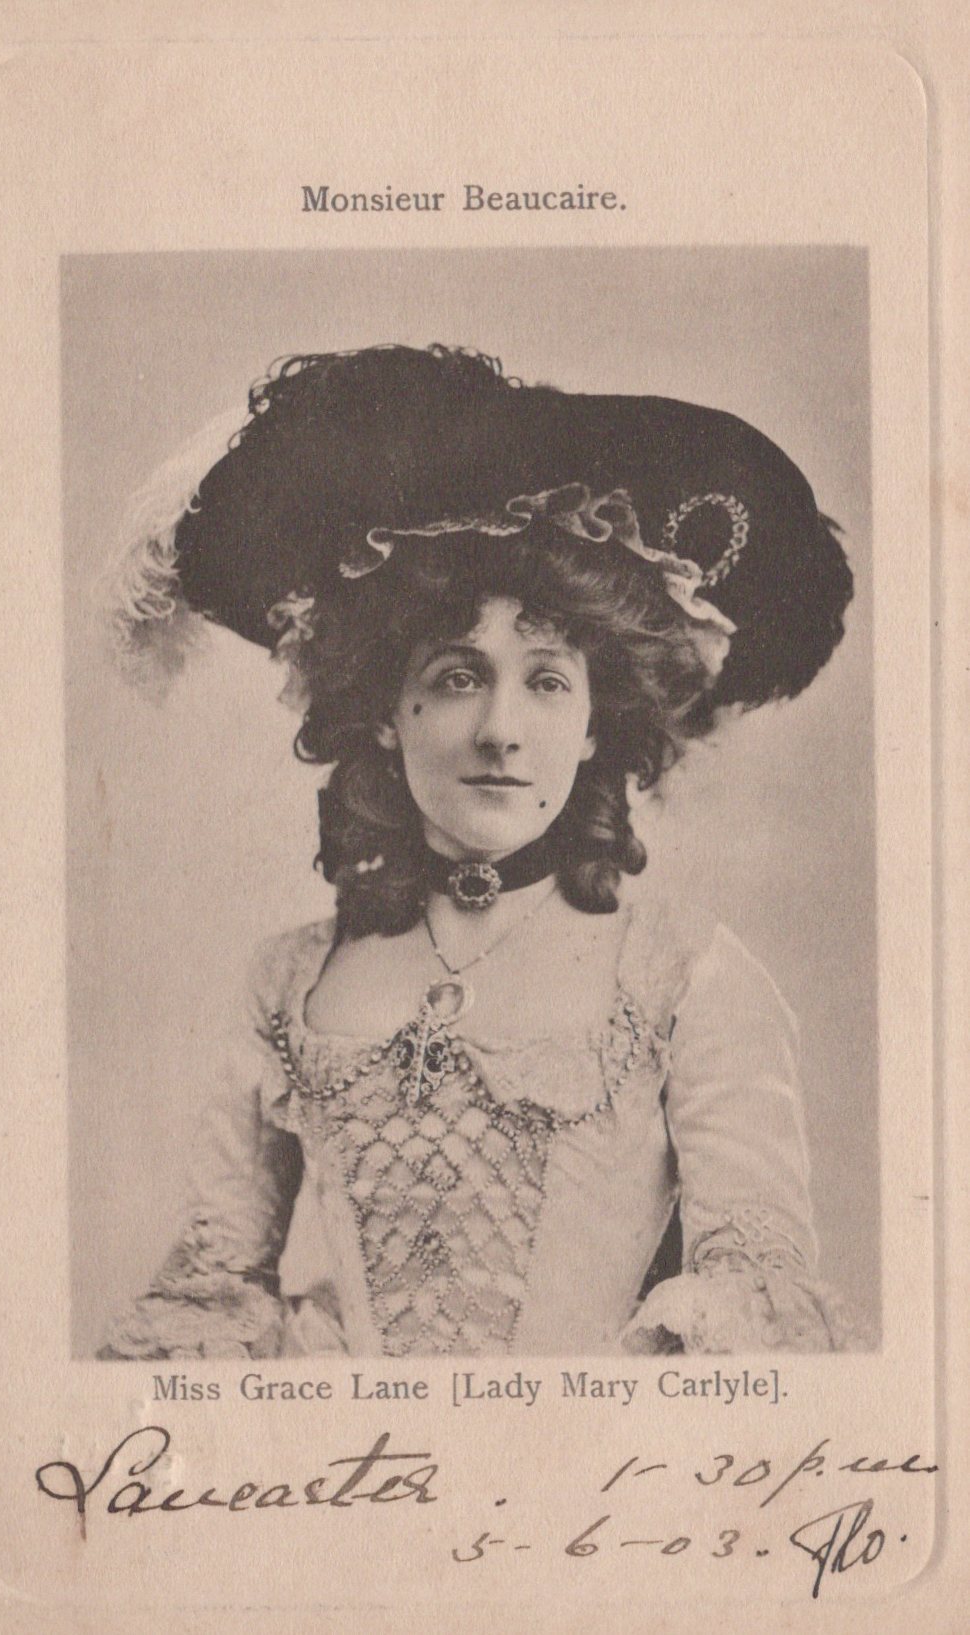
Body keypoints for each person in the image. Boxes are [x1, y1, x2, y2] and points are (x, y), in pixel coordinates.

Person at [100, 343, 858, 1359]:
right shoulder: (288, 981)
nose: (501, 730)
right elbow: (207, 1305)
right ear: (381, 709)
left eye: (547, 682)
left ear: (595, 723)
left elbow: (749, 1314)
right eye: (458, 676)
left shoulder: (686, 975)